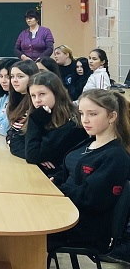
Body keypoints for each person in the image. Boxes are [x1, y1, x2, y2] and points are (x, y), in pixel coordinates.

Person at [48, 89, 130, 255]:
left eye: (92, 114)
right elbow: (66, 172)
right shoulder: (88, 142)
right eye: (81, 113)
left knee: (27, 224)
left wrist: (56, 190)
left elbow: (90, 198)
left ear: (112, 117)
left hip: (84, 227)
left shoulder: (116, 156)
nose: (85, 120)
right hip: (65, 210)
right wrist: (54, 180)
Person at [11, 72, 88, 176]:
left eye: (42, 94)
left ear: (56, 93)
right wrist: (36, 157)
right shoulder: (41, 114)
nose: (37, 100)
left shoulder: (71, 122)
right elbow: (15, 140)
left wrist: (34, 122)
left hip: (57, 177)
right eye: (33, 96)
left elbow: (33, 155)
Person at [5, 60, 40, 151]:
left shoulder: (36, 103)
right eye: (12, 76)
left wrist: (11, 141)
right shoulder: (15, 98)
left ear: (32, 77)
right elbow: (12, 131)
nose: (14, 80)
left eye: (20, 76)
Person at [0, 59, 18, 135]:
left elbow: (5, 129)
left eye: (7, 77)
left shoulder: (19, 100)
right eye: (1, 76)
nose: (3, 81)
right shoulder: (5, 96)